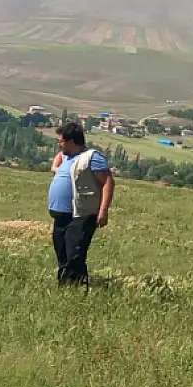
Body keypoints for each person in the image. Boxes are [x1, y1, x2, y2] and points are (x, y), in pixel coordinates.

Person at [46, 121, 114, 286]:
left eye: (61, 141)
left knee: (74, 255)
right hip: (61, 215)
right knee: (62, 255)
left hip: (80, 215)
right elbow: (56, 163)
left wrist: (103, 211)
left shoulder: (91, 157)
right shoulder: (66, 157)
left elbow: (108, 182)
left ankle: (78, 289)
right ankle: (64, 288)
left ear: (71, 141)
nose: (59, 144)